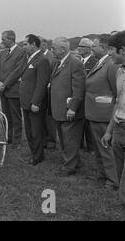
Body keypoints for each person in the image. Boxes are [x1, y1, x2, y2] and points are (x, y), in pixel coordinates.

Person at [85, 36, 119, 190]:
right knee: (99, 147)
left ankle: (113, 180)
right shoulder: (100, 62)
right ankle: (102, 174)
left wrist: (107, 105)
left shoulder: (111, 65)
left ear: (104, 48)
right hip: (94, 112)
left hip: (103, 114)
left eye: (94, 46)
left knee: (105, 148)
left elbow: (116, 92)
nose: (92, 49)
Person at [50, 37, 86, 177]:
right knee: (65, 139)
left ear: (63, 49)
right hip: (59, 109)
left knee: (70, 140)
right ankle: (74, 162)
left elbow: (79, 88)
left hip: (69, 110)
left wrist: (73, 108)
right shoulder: (58, 63)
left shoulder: (75, 63)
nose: (52, 50)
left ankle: (69, 167)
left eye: (54, 48)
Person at [101, 31, 125, 206]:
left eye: (112, 50)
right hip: (118, 129)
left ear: (122, 50)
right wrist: (109, 131)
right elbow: (117, 103)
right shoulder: (119, 72)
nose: (109, 54)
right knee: (118, 172)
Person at [20, 34, 51, 165]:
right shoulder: (30, 59)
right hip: (26, 103)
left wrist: (35, 102)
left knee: (36, 131)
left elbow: (41, 84)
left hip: (34, 104)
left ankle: (37, 156)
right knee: (28, 131)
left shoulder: (42, 60)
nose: (23, 47)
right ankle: (35, 153)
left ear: (33, 44)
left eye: (25, 44)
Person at [0, 30, 27, 149]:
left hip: (13, 90)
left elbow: (18, 71)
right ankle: (7, 137)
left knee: (16, 116)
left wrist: (5, 84)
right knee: (6, 116)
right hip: (3, 90)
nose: (1, 41)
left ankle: (17, 141)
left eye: (3, 39)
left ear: (11, 39)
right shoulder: (3, 53)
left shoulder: (21, 52)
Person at [78, 38, 98, 153]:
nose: (79, 48)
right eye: (79, 46)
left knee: (88, 124)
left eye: (82, 46)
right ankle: (80, 144)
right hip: (80, 97)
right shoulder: (79, 60)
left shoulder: (94, 61)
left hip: (88, 96)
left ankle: (91, 147)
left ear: (88, 49)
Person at [40, 37, 57, 149]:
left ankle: (51, 139)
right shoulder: (39, 56)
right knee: (42, 116)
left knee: (49, 117)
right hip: (41, 90)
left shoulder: (51, 56)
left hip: (49, 90)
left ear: (44, 45)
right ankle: (44, 138)